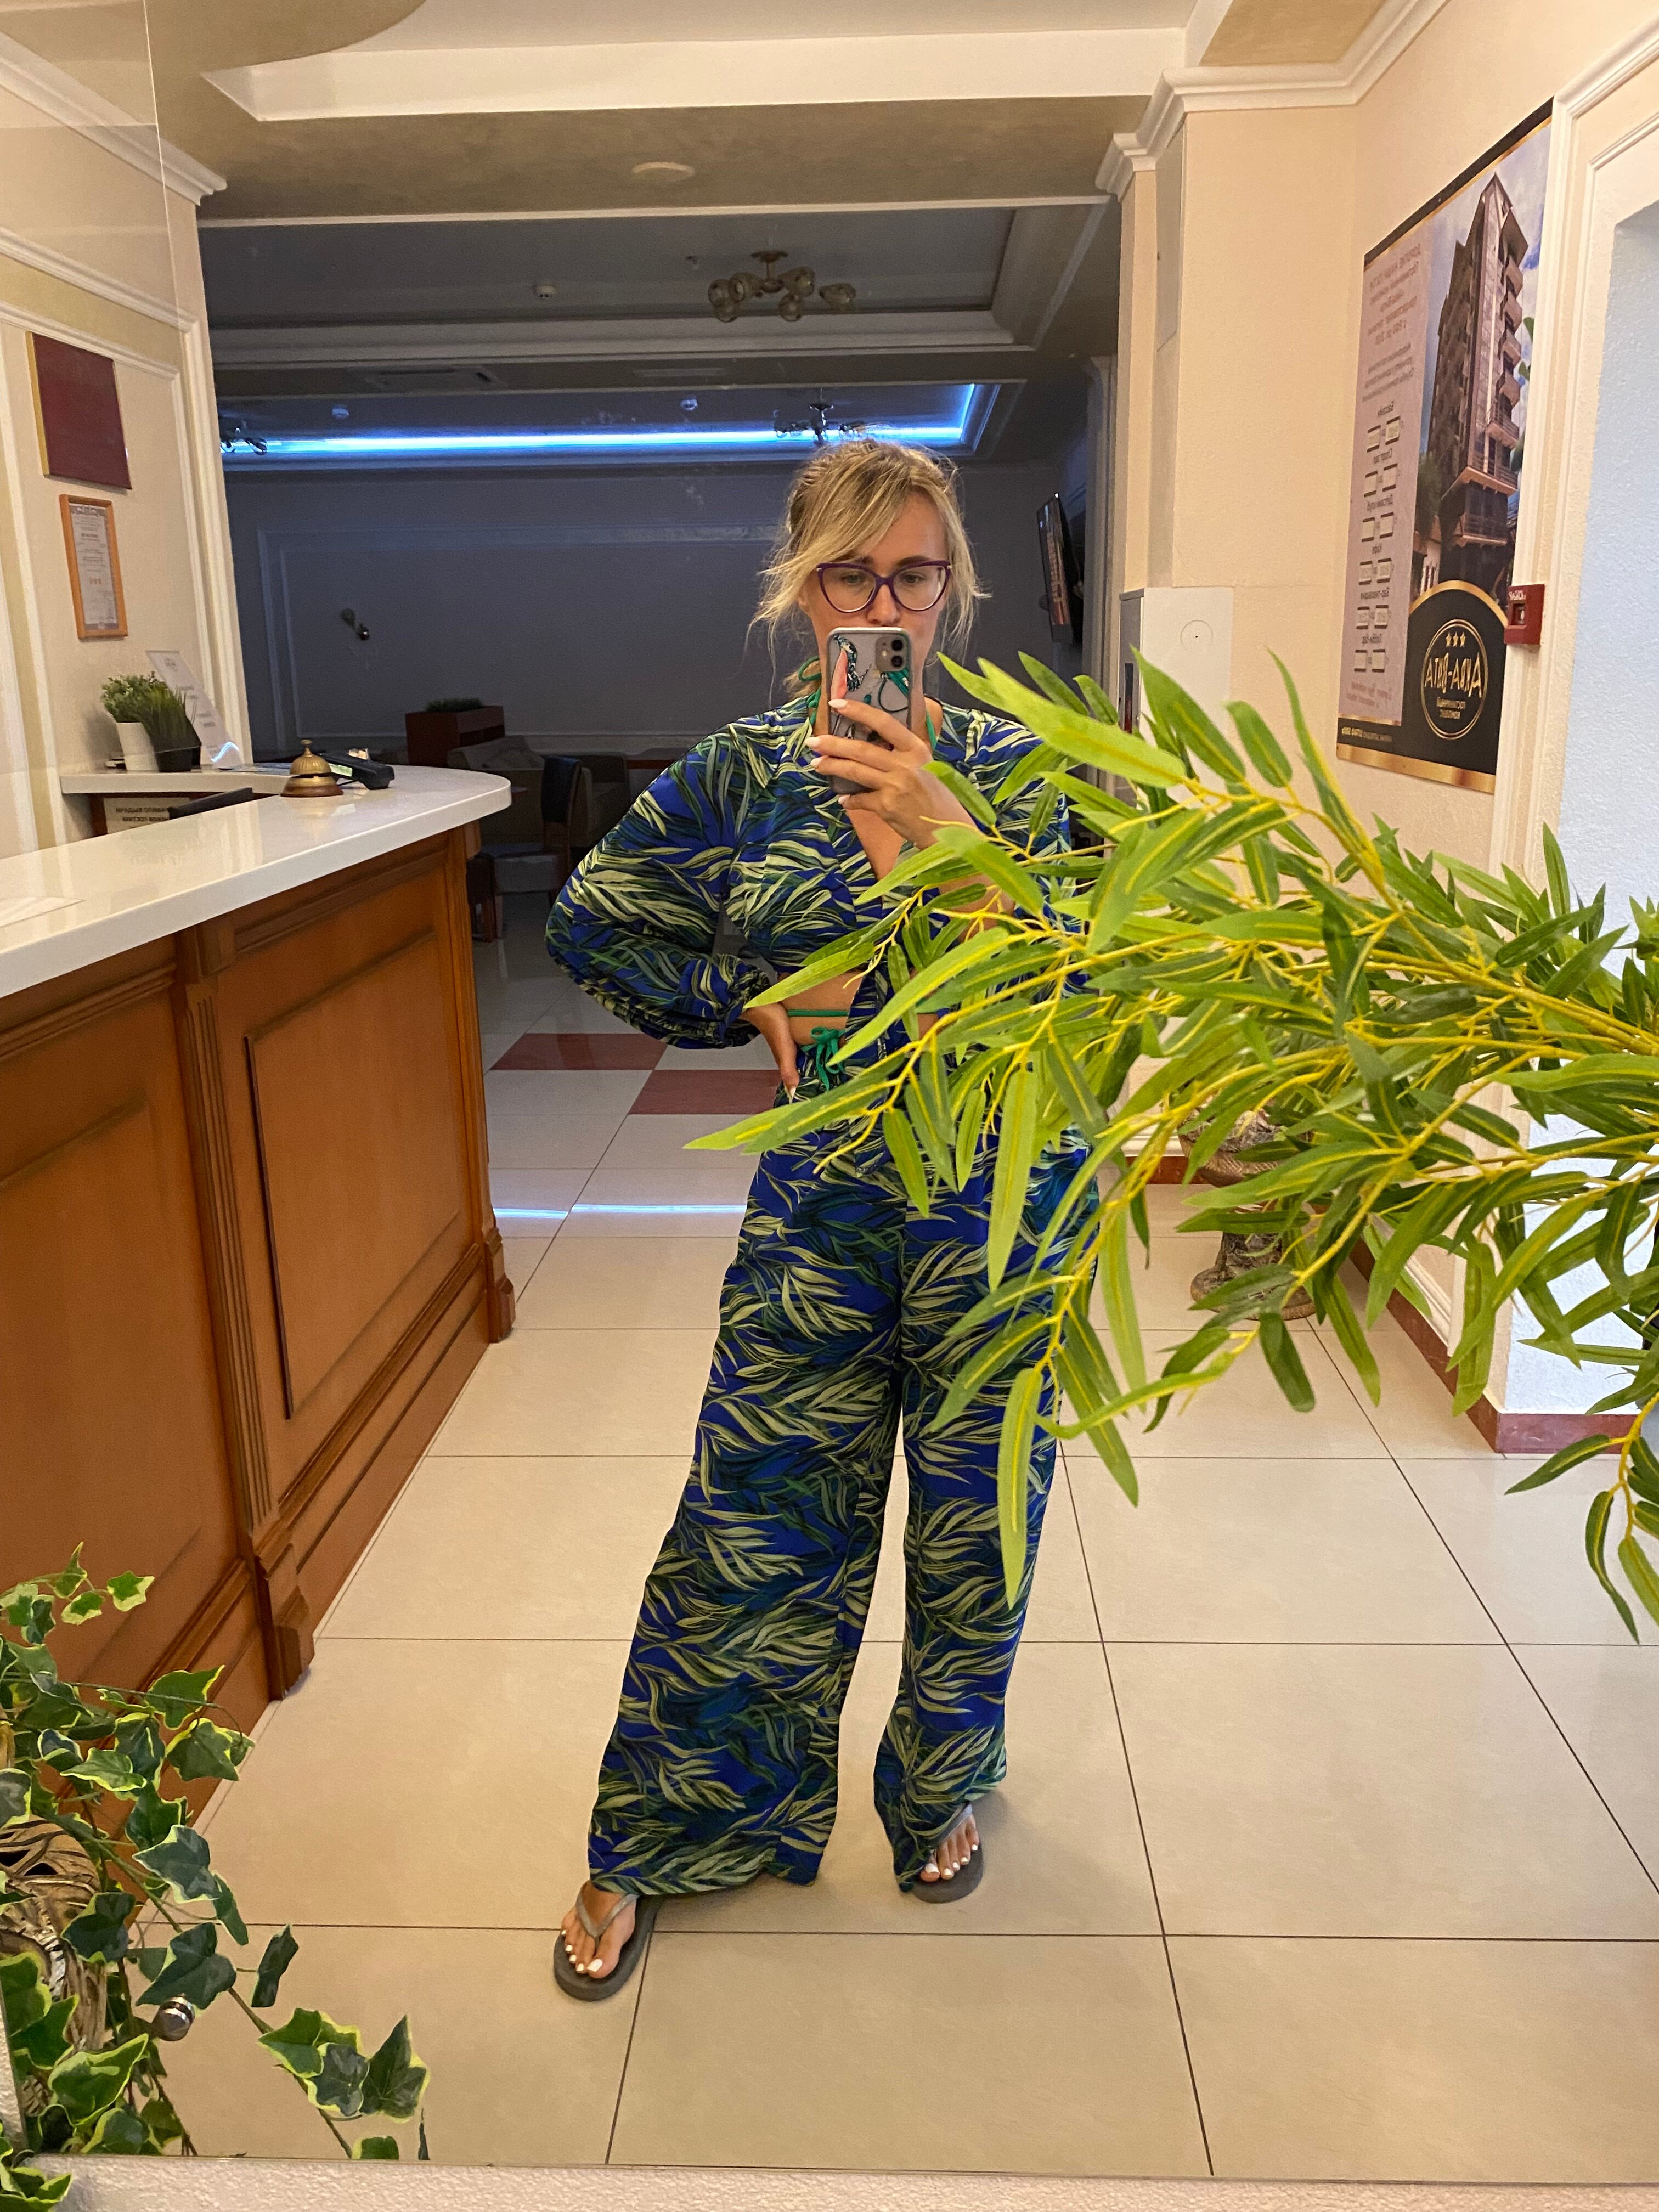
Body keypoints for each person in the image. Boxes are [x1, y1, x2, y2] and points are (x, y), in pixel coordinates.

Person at [545, 438, 1085, 1999]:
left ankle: (942, 1784)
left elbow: (1101, 972)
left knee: (979, 1523)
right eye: (851, 576)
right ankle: (669, 1827)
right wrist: (745, 1001)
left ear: (954, 587)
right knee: (754, 1514)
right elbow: (594, 919)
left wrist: (952, 833)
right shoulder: (742, 770)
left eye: (914, 575)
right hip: (822, 1206)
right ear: (801, 590)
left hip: (1001, 1202)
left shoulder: (1028, 762)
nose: (884, 606)